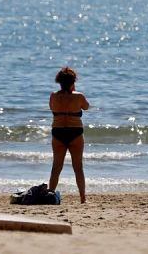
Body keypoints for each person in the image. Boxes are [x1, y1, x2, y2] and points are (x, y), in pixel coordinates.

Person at [48, 66, 90, 204]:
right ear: (73, 81)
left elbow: (51, 107)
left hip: (58, 131)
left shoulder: (53, 96)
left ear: (59, 82)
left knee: (56, 167)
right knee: (78, 167)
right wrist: (74, 90)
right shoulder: (79, 96)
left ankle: (50, 194)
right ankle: (83, 199)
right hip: (75, 132)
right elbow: (86, 106)